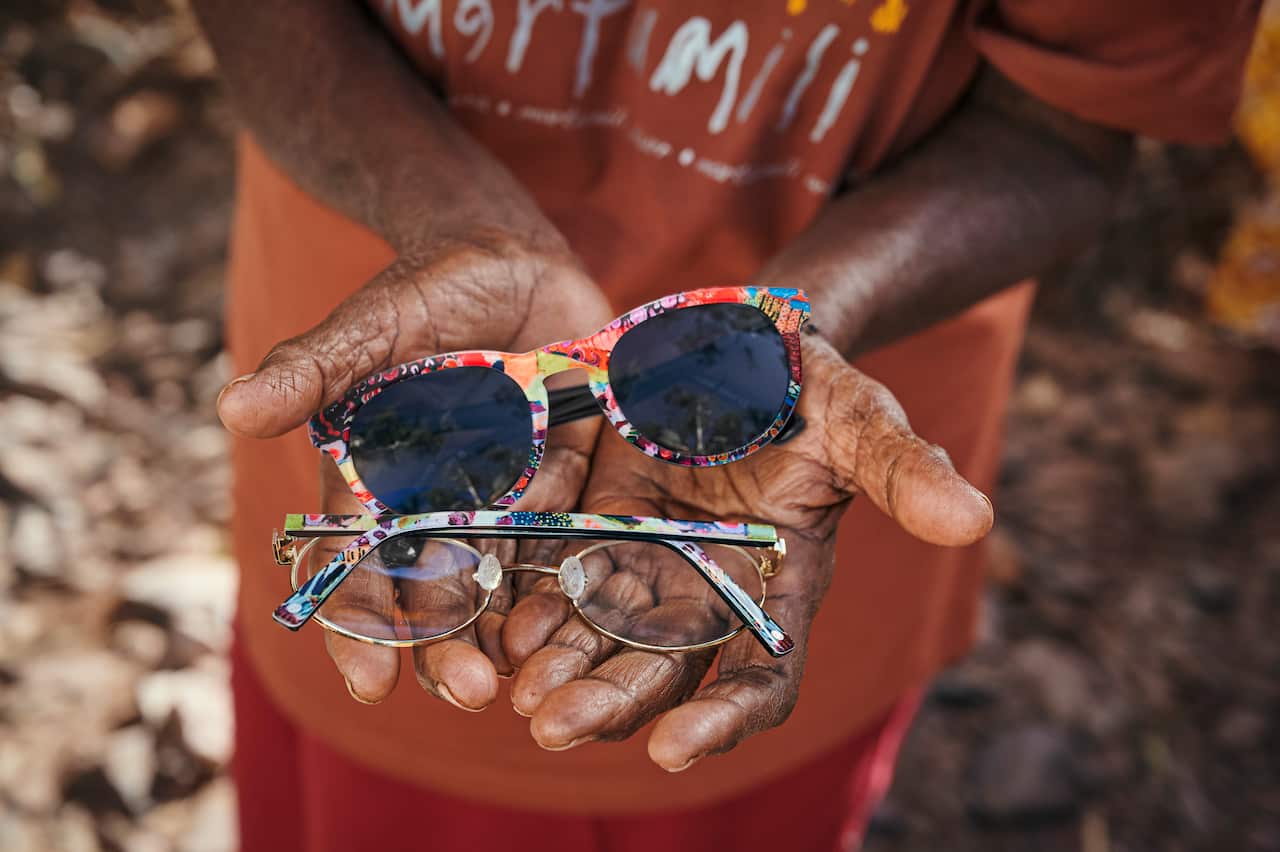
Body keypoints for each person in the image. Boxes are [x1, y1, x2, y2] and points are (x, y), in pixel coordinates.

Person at [194, 1, 1258, 849]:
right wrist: (450, 222)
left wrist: (802, 325)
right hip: (402, 386)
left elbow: (1063, 127)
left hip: (822, 449)